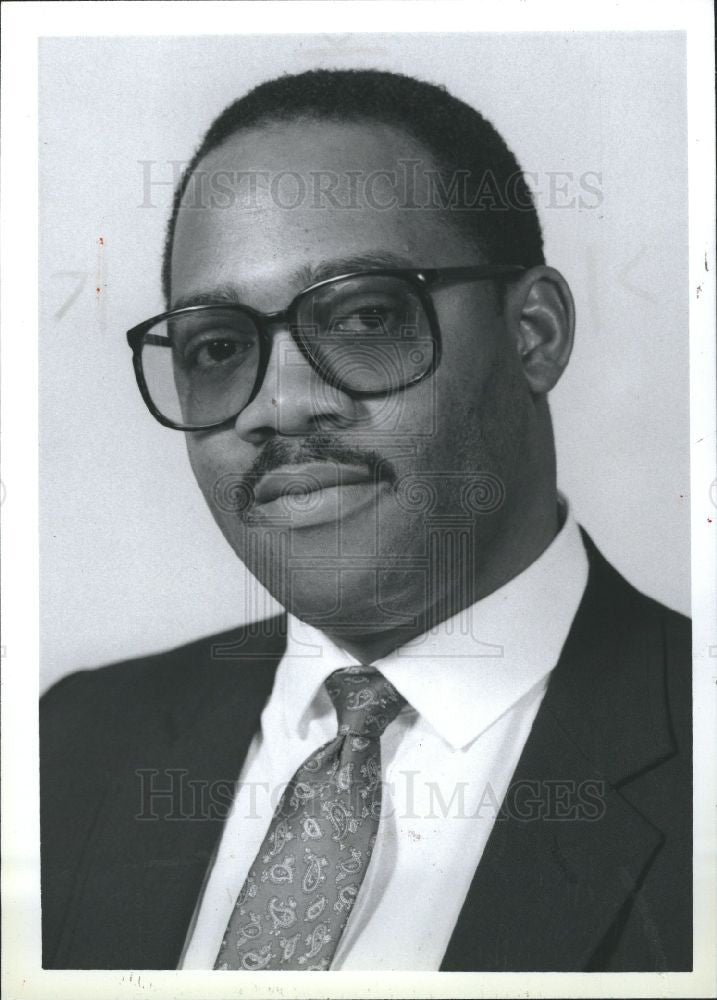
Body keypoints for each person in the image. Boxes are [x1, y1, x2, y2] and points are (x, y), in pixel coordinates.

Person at [40, 68, 691, 972]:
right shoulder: (65, 751)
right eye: (219, 347)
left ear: (532, 333)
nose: (279, 402)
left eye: (364, 315)